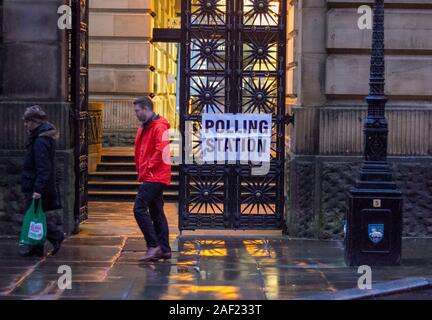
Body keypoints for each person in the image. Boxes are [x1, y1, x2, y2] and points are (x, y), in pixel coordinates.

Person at [19, 105, 65, 257]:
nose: (25, 124)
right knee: (36, 214)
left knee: (33, 214)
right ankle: (36, 247)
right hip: (35, 183)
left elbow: (43, 167)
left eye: (27, 121)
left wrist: (37, 190)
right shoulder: (40, 136)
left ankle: (56, 235)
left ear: (34, 121)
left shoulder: (40, 140)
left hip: (36, 185)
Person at [133, 96, 172, 262]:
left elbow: (161, 150)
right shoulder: (146, 126)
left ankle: (153, 246)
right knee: (157, 212)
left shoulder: (159, 127)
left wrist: (148, 167)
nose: (135, 113)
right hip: (150, 174)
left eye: (137, 110)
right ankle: (164, 249)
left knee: (139, 209)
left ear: (146, 109)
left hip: (155, 176)